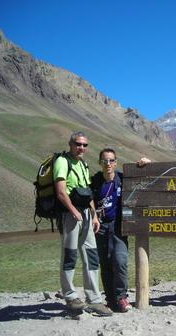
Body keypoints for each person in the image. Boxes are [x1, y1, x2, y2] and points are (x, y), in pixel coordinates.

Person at [53, 131, 112, 316]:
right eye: (78, 144)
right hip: (70, 215)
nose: (82, 148)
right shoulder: (62, 162)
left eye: (85, 145)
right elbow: (61, 192)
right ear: (71, 144)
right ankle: (70, 297)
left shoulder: (83, 164)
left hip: (86, 214)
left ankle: (94, 300)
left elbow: (87, 193)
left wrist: (93, 215)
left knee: (91, 256)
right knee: (70, 256)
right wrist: (73, 211)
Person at [90, 148, 151, 312]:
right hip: (101, 228)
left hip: (118, 227)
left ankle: (121, 297)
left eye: (111, 160)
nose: (108, 164)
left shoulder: (122, 179)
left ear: (115, 162)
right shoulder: (95, 181)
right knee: (106, 264)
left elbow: (145, 182)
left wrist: (146, 164)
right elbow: (88, 198)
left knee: (120, 261)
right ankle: (110, 300)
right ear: (100, 162)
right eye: (104, 161)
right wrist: (93, 216)